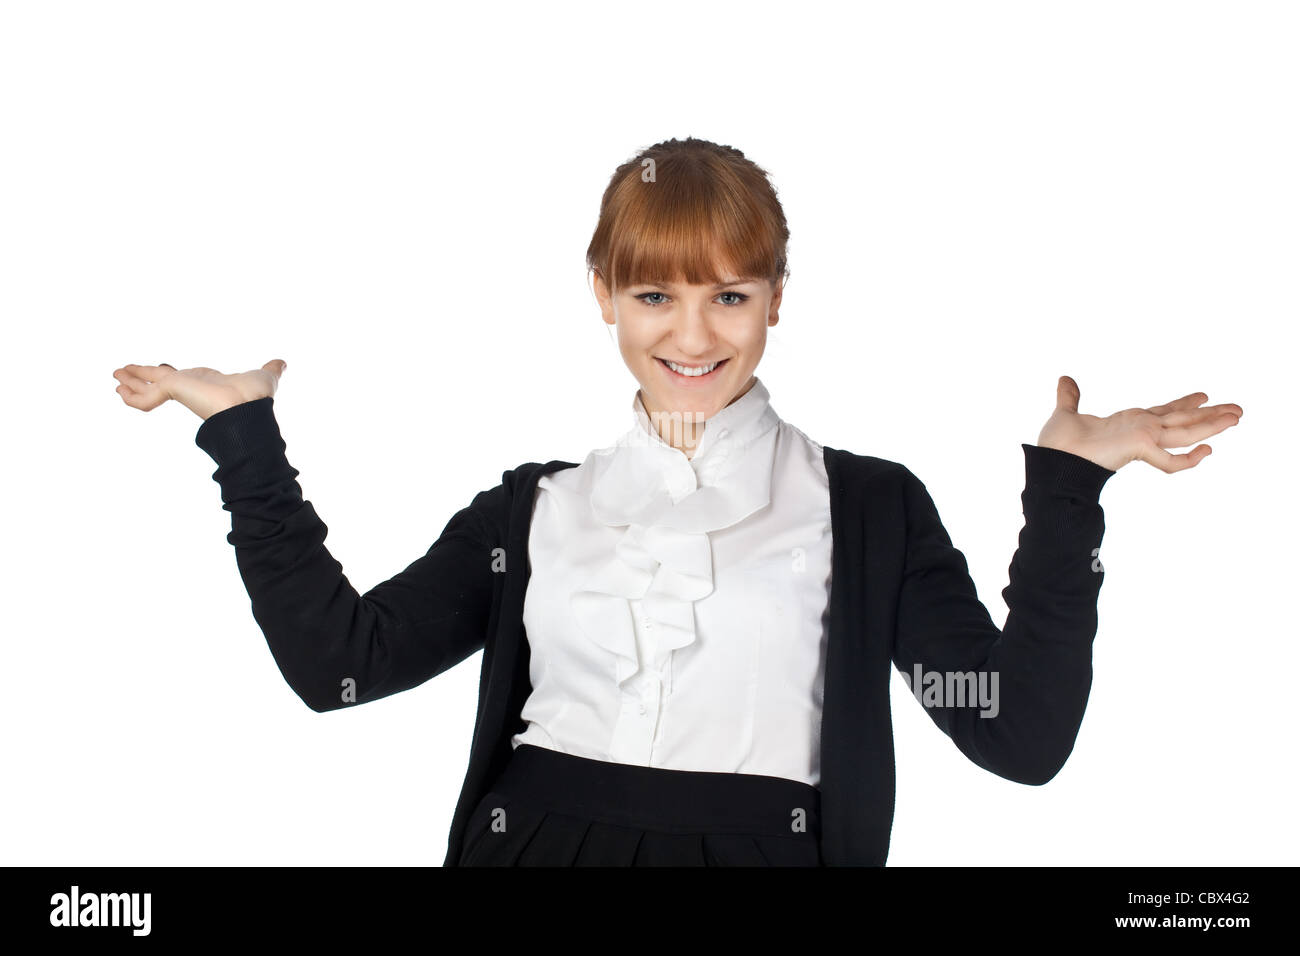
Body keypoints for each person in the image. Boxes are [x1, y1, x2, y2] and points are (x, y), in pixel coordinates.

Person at [112, 136, 1243, 866]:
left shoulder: (868, 508)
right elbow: (337, 664)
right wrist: (242, 438)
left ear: (776, 300)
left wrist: (1069, 491)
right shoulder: (529, 513)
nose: (691, 335)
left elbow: (1019, 734)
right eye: (652, 292)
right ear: (601, 293)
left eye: (730, 294)